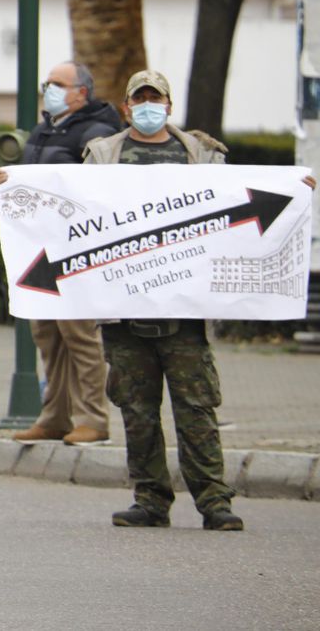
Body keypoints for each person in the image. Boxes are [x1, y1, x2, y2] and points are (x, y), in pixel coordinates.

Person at [85, 69, 242, 531]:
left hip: (184, 313)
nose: (148, 105)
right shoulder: (102, 155)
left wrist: (293, 193)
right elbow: (71, 208)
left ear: (169, 105)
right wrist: (13, 185)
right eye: (140, 98)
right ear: (127, 106)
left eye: (156, 98)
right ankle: (150, 500)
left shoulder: (202, 155)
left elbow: (235, 205)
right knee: (137, 412)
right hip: (125, 313)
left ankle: (215, 502)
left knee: (196, 410)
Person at [0, 61, 122, 447]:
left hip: (76, 250)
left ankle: (93, 419)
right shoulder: (45, 128)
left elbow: (97, 189)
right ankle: (55, 417)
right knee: (48, 336)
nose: (48, 89)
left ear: (81, 92)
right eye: (47, 83)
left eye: (57, 83)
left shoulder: (98, 132)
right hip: (41, 250)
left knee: (80, 337)